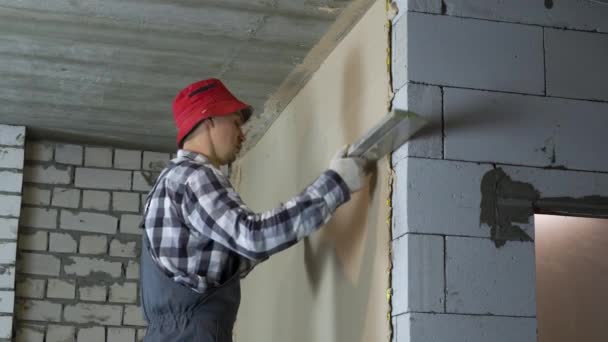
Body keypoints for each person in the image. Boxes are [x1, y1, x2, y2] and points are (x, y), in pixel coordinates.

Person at [140, 78, 366, 341]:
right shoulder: (195, 177)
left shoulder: (169, 181)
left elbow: (233, 259)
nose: (242, 134)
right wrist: (334, 185)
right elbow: (253, 239)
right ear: (209, 120)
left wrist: (301, 219)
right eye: (236, 122)